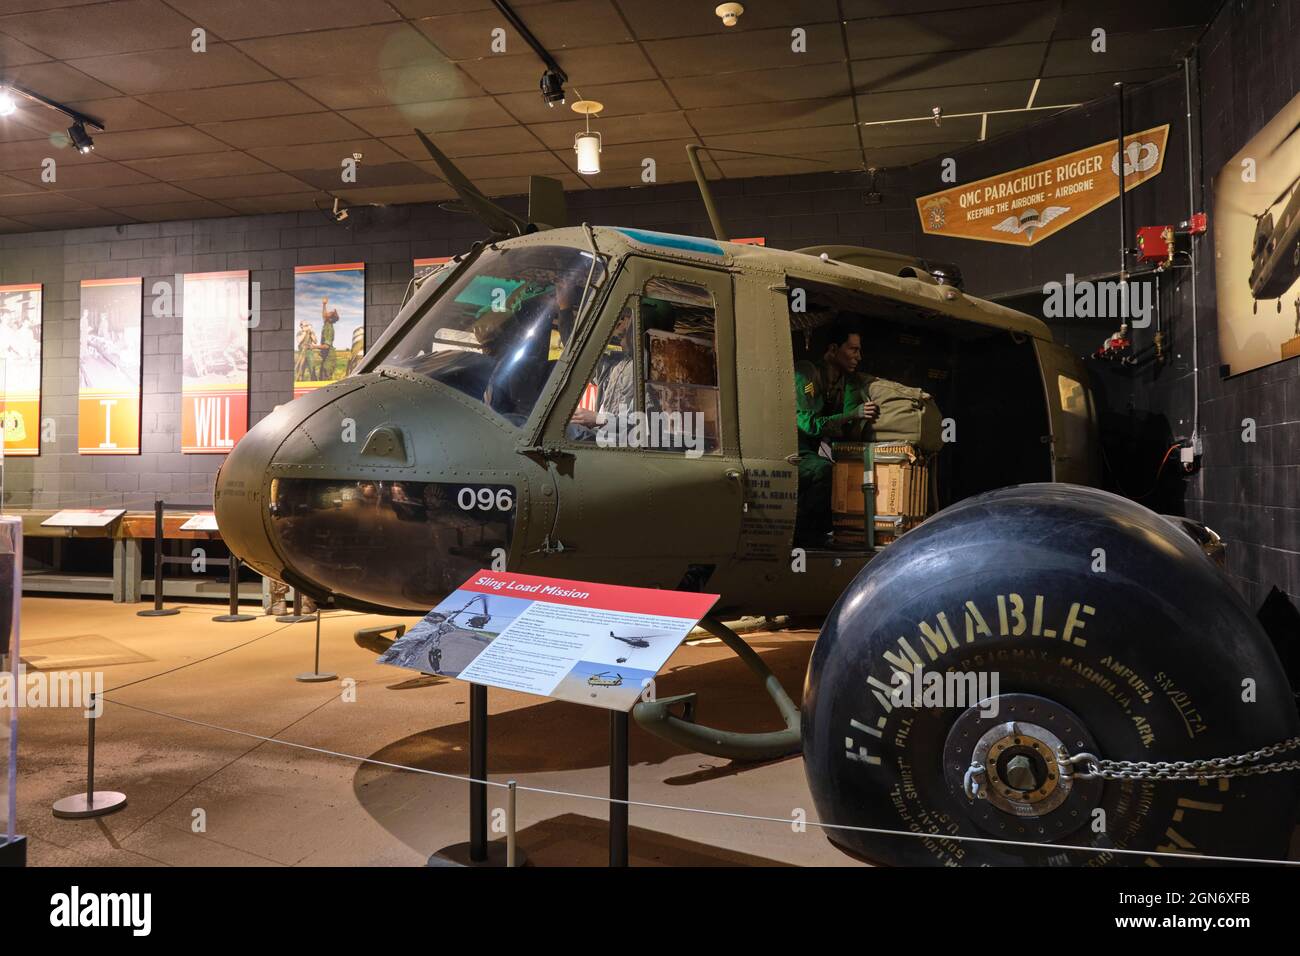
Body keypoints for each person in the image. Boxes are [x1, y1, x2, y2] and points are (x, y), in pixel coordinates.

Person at [794, 320, 879, 546]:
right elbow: (809, 424)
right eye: (853, 349)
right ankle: (803, 538)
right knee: (822, 470)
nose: (858, 356)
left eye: (859, 350)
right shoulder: (807, 376)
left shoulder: (845, 383)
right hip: (792, 451)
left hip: (810, 453)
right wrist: (852, 415)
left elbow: (847, 429)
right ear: (833, 350)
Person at [317, 296, 339, 381]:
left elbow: (326, 346)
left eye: (329, 313)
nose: (326, 313)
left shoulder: (329, 328)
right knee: (322, 377)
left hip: (329, 359)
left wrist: (313, 346)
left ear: (330, 319)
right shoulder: (327, 323)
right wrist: (324, 304)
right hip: (326, 357)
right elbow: (323, 314)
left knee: (326, 379)